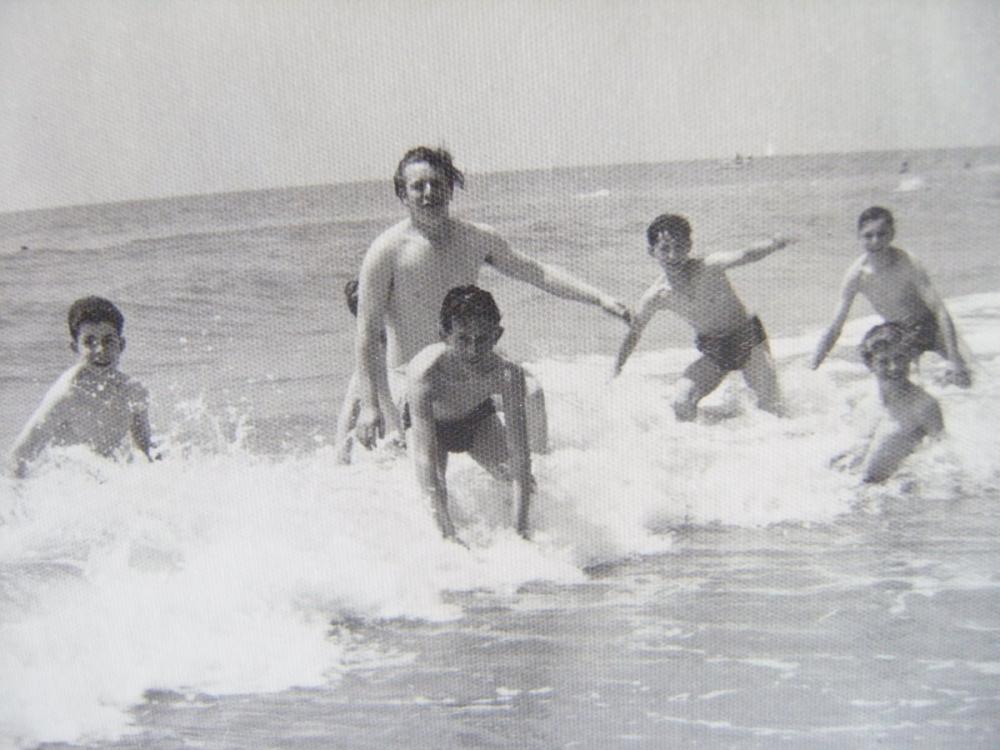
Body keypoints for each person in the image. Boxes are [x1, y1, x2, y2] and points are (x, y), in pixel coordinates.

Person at [354, 146, 630, 452]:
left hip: (468, 367)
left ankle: (539, 468)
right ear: (403, 195)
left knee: (532, 392)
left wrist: (600, 298)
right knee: (429, 485)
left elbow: (537, 272)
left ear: (450, 189)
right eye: (418, 186)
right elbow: (366, 334)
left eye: (437, 183)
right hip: (411, 380)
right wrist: (369, 405)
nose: (429, 193)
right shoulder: (386, 251)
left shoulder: (475, 238)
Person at [612, 213, 795, 420]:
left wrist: (776, 243)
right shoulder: (656, 295)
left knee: (773, 409)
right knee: (681, 402)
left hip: (748, 341)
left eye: (679, 246)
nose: (673, 255)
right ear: (651, 251)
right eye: (665, 248)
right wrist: (616, 369)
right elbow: (634, 333)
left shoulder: (708, 267)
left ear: (689, 245)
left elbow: (746, 255)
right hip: (715, 349)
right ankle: (702, 445)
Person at [407, 286, 532, 543]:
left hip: (475, 419)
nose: (473, 350)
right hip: (430, 426)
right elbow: (426, 460)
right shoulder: (426, 374)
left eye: (482, 339)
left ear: (497, 335)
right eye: (463, 339)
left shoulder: (508, 375)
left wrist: (520, 534)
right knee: (435, 494)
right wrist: (448, 536)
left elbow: (521, 456)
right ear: (444, 335)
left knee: (523, 482)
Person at [811, 206, 971, 387]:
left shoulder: (907, 263)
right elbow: (835, 327)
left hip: (931, 329)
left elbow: (940, 311)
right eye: (868, 235)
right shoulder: (856, 275)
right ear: (859, 237)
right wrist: (814, 365)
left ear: (892, 234)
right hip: (898, 335)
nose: (876, 240)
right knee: (898, 388)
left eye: (882, 234)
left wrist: (954, 357)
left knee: (964, 381)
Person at [7, 296, 155, 477]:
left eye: (108, 341)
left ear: (122, 345)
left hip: (107, 486)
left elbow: (147, 454)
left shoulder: (133, 391)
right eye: (89, 342)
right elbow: (18, 458)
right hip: (65, 488)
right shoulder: (67, 395)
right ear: (74, 347)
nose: (100, 350)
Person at [852, 323, 944, 483]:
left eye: (900, 357)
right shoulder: (865, 403)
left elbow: (946, 461)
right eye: (883, 361)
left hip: (895, 497)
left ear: (909, 357)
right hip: (862, 492)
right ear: (870, 364)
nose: (894, 367)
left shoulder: (924, 405)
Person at [332, 279, 403, 464]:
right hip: (399, 442)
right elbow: (352, 406)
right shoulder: (374, 355)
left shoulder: (391, 346)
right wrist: (341, 460)